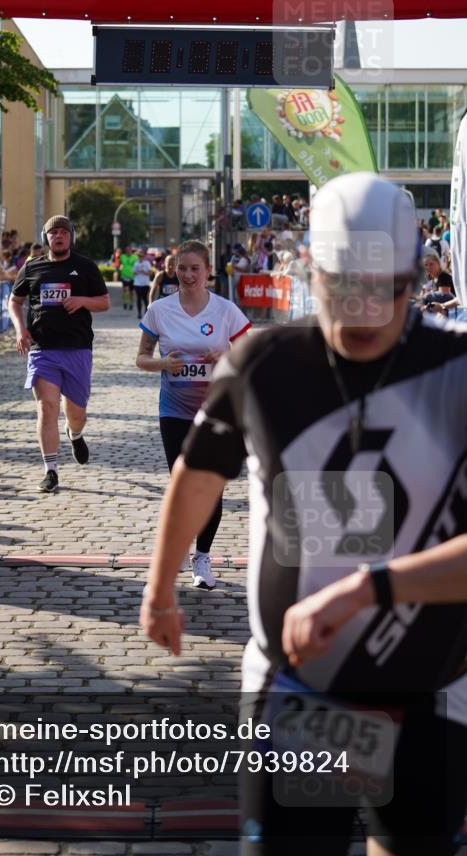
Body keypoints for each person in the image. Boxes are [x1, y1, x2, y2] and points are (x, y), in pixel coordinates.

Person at [141, 173, 467, 856]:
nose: (363, 314)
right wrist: (160, 587)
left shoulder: (456, 370)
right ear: (308, 270)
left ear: (418, 273)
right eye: (343, 288)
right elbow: (198, 474)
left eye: (387, 291)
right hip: (294, 685)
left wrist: (371, 588)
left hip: (430, 686)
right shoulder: (262, 362)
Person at [136, 239, 251, 589]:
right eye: (182, 268)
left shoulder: (225, 310)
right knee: (185, 486)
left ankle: (203, 556)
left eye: (194, 269)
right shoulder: (159, 309)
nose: (188, 275)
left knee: (212, 487)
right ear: (174, 270)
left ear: (207, 272)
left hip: (217, 410)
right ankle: (183, 550)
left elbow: (250, 353)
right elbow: (141, 358)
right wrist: (163, 363)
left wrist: (227, 358)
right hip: (174, 411)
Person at [8, 215, 110, 493]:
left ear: (71, 237)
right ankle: (50, 470)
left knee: (76, 412)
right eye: (54, 233)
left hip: (77, 348)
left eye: (64, 232)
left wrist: (82, 301)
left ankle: (75, 433)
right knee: (47, 407)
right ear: (46, 238)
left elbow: (104, 302)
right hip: (43, 349)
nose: (59, 236)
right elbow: (14, 302)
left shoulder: (85, 267)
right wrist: (20, 330)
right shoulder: (32, 267)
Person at [133, 248, 153, 318]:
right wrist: (137, 271)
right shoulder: (136, 263)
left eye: (141, 256)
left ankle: (146, 312)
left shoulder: (147, 263)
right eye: (139, 256)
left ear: (144, 256)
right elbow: (134, 273)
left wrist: (143, 271)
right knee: (138, 298)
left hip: (145, 284)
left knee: (145, 298)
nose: (140, 257)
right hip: (137, 284)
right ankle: (139, 313)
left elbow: (150, 273)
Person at [119, 245, 136, 310]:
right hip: (124, 276)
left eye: (129, 250)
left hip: (132, 277)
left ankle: (131, 303)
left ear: (131, 250)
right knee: (125, 290)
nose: (128, 251)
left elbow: (137, 265)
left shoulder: (135, 257)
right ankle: (125, 302)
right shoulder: (122, 256)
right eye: (126, 250)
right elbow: (118, 262)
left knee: (132, 291)